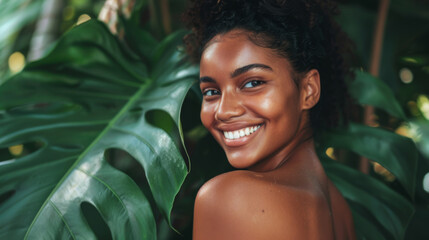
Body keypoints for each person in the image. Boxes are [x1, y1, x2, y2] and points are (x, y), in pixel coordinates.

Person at [183, 0, 356, 239]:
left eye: (253, 83)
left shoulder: (229, 197)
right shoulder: (339, 212)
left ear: (308, 90)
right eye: (211, 92)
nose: (224, 111)